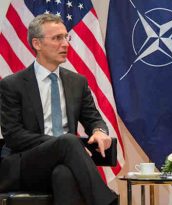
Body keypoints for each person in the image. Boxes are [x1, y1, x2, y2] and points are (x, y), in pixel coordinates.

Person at [0, 14, 117, 205]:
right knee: (69, 142)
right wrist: (62, 144)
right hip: (24, 164)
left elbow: (93, 118)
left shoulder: (77, 82)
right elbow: (14, 135)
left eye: (66, 37)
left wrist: (99, 131)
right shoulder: (13, 84)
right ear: (37, 44)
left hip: (64, 162)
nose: (65, 44)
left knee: (63, 174)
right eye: (57, 38)